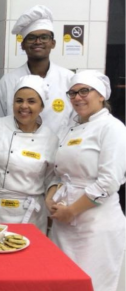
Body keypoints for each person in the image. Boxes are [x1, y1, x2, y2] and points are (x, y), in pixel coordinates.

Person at [46, 71, 125, 291]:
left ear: (101, 95)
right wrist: (50, 198)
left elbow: (109, 182)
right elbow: (59, 173)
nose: (77, 97)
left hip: (97, 225)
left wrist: (72, 210)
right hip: (64, 223)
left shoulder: (113, 129)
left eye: (84, 91)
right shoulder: (68, 128)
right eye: (72, 93)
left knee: (93, 285)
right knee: (62, 282)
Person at [0, 75, 58, 232]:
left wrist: (50, 216)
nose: (24, 106)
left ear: (42, 107)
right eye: (19, 100)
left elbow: (50, 181)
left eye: (31, 101)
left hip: (30, 214)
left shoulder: (50, 139)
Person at [0, 5, 74, 135]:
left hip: (58, 153)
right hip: (15, 151)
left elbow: (75, 124)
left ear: (53, 43)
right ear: (23, 45)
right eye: (31, 38)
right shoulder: (7, 82)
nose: (38, 42)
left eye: (44, 37)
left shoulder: (69, 80)